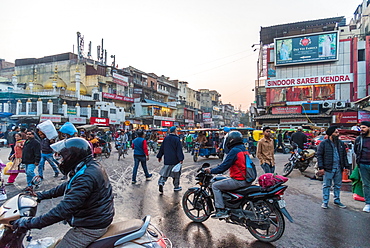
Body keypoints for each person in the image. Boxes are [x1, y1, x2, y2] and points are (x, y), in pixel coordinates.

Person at [12, 137, 115, 248]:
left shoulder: (86, 176)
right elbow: (69, 185)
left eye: (63, 157)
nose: (61, 160)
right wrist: (41, 195)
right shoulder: (88, 166)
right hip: (95, 218)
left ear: (73, 156)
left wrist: (30, 223)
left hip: (90, 226)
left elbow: (64, 209)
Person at [204, 131, 252, 218]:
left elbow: (223, 167)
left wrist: (210, 171)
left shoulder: (234, 151)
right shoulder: (243, 149)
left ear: (230, 140)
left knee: (215, 186)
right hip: (247, 179)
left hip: (239, 180)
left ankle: (221, 210)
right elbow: (225, 164)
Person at [317, 126, 350, 209]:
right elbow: (319, 156)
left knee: (337, 185)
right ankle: (325, 202)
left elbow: (344, 156)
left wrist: (346, 166)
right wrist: (321, 167)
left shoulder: (341, 143)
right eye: (336, 132)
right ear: (331, 134)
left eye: (338, 132)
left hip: (338, 168)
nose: (337, 134)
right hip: (328, 168)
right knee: (326, 185)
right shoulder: (324, 144)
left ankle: (337, 200)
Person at [157, 126, 184, 193]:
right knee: (176, 174)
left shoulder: (166, 138)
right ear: (175, 131)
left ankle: (161, 183)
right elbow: (179, 150)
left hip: (167, 159)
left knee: (165, 173)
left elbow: (162, 148)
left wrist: (159, 156)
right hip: (175, 160)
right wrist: (181, 158)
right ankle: (176, 187)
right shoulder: (177, 139)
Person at [354, 121, 370, 212]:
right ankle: (368, 203)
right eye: (361, 128)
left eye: (364, 127)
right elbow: (356, 150)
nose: (362, 129)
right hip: (363, 164)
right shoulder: (359, 139)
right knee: (366, 185)